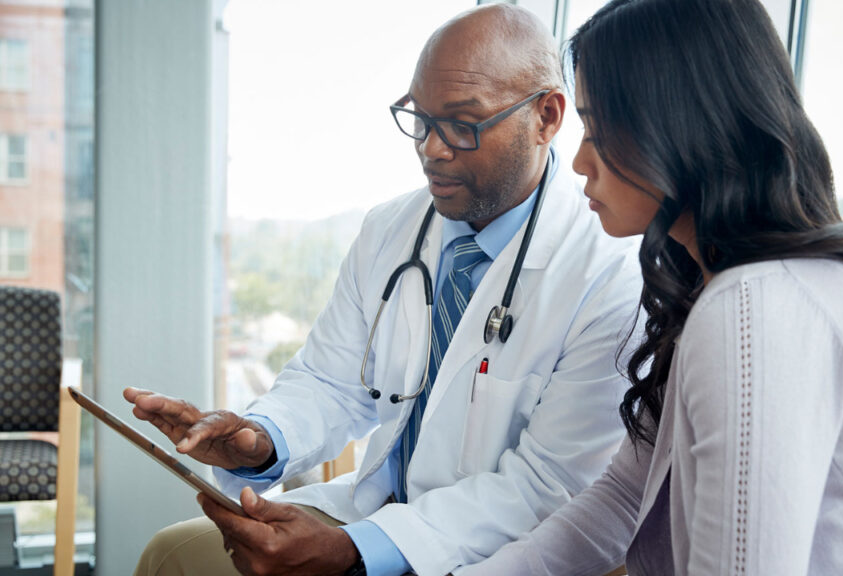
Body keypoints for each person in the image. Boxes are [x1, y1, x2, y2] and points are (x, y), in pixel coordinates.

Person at [463, 0, 843, 574]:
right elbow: (622, 498)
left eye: (599, 130)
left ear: (681, 125)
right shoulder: (732, 288)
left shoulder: (761, 304)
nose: (577, 162)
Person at [127, 5, 641, 576]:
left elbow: (548, 486)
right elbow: (329, 380)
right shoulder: (390, 229)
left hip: (503, 549)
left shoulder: (612, 272)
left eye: (462, 125)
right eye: (419, 119)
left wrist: (358, 552)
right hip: (373, 511)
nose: (432, 149)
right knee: (170, 557)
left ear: (546, 116)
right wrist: (261, 439)